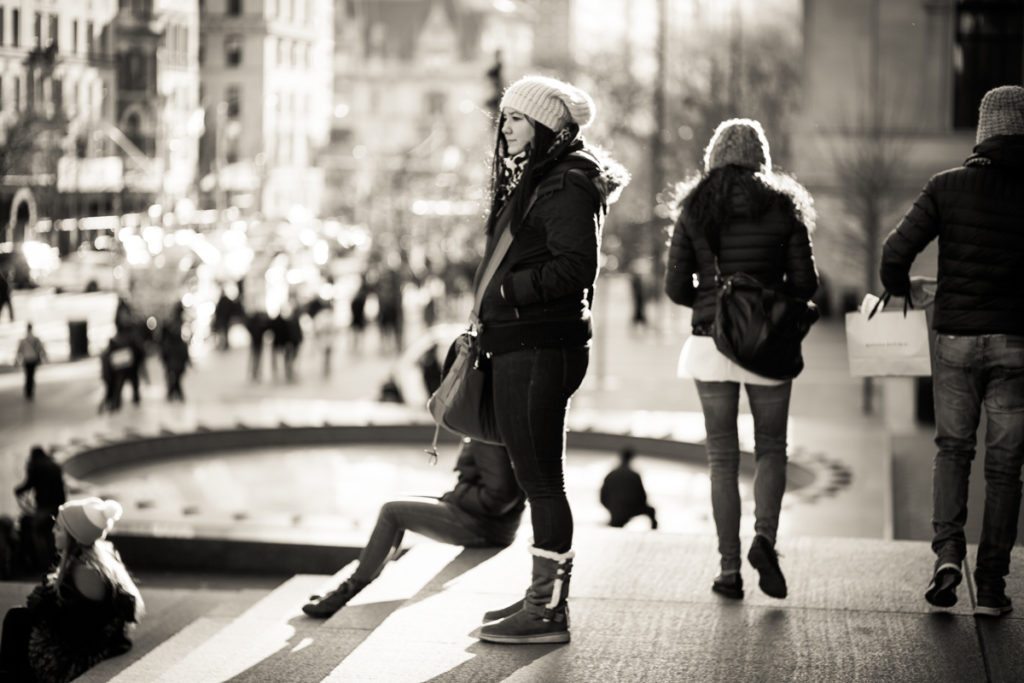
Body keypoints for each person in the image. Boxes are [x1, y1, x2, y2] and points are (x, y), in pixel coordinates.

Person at [471, 75, 629, 645]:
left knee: (541, 481)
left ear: (546, 125)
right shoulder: (547, 175)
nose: (505, 127)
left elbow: (575, 267)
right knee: (538, 476)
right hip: (527, 344)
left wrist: (509, 292)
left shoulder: (567, 182)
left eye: (516, 118)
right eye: (505, 117)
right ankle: (543, 595)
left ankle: (547, 611)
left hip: (539, 347)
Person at [880, 85, 1024, 617]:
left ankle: (946, 556)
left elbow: (893, 255)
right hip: (1016, 343)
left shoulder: (948, 186)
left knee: (953, 449)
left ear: (984, 131)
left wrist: (907, 288)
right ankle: (990, 587)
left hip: (957, 338)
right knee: (1006, 469)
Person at [665, 118, 818, 602]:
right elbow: (806, 284)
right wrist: (763, 306)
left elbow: (674, 287)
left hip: (711, 344)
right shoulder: (784, 205)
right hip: (769, 347)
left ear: (712, 157)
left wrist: (716, 305)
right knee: (771, 448)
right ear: (762, 159)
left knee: (721, 458)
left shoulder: (694, 207)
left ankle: (728, 571)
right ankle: (765, 540)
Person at [302, 439, 524, 618]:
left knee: (392, 511)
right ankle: (362, 577)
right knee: (396, 505)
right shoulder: (484, 426)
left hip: (485, 527)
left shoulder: (486, 433)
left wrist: (457, 495)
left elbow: (501, 497)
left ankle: (352, 587)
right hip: (482, 519)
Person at [0, 497, 144, 682]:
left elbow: (79, 629)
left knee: (17, 620)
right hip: (83, 645)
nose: (53, 531)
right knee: (19, 618)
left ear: (74, 535)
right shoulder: (90, 561)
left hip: (76, 658)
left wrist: (43, 604)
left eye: (59, 528)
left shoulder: (86, 572)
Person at [14, 446, 67, 573]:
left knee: (37, 531)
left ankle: (43, 562)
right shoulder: (54, 465)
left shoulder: (36, 467)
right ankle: (58, 559)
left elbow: (28, 484)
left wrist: (18, 490)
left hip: (45, 506)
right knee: (53, 532)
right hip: (59, 505)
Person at [600, 448, 658, 529]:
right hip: (630, 509)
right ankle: (653, 533)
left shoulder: (611, 474)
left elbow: (602, 497)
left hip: (614, 508)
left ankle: (616, 519)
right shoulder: (634, 475)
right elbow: (642, 497)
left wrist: (612, 508)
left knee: (618, 520)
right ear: (631, 459)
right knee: (651, 511)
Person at [15, 323, 48, 401]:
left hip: (26, 360)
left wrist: (16, 361)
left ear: (27, 328)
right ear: (31, 328)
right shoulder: (36, 339)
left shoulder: (23, 340)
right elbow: (41, 349)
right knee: (31, 376)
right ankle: (30, 392)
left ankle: (28, 392)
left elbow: (19, 351)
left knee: (27, 376)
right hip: (33, 360)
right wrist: (45, 358)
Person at [159, 324, 190, 402]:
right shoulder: (180, 344)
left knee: (174, 381)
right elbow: (185, 356)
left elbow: (164, 355)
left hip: (172, 366)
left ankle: (172, 396)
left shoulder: (168, 343)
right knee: (176, 381)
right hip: (177, 367)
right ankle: (176, 396)